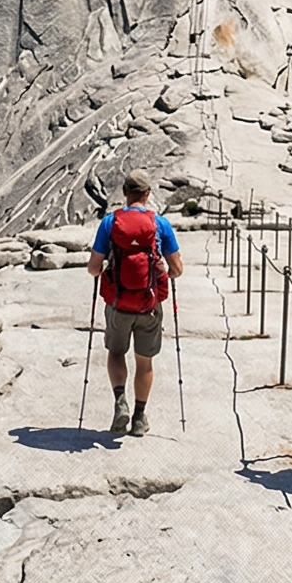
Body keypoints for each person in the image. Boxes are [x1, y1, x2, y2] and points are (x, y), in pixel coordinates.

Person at [88, 171, 184, 436]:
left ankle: (121, 403)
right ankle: (140, 418)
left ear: (125, 192)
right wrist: (161, 271)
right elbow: (177, 269)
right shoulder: (160, 224)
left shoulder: (110, 223)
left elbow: (93, 268)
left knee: (116, 353)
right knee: (145, 363)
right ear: (147, 193)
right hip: (149, 305)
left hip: (119, 304)